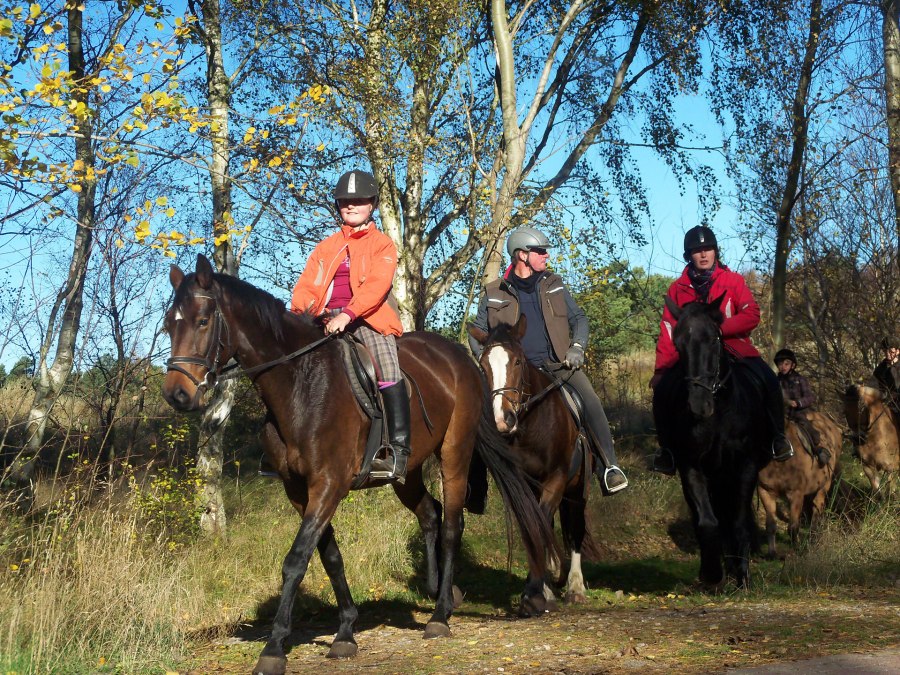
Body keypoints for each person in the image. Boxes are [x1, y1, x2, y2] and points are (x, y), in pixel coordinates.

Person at [468, 226, 628, 494]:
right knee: (474, 412)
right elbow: (476, 331)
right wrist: (488, 364)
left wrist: (577, 347)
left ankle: (609, 467)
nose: (546, 256)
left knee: (590, 399)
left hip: (558, 366)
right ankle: (475, 487)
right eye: (540, 251)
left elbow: (579, 319)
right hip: (512, 375)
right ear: (521, 255)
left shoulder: (554, 283)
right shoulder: (494, 291)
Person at [289, 169, 411, 483]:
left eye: (359, 201)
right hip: (324, 320)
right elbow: (306, 288)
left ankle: (397, 450)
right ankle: (282, 446)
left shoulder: (382, 245)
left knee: (387, 367)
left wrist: (348, 314)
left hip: (367, 318)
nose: (351, 206)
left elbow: (376, 287)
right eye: (345, 201)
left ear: (372, 205)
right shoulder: (325, 247)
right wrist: (301, 316)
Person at [649, 225, 794, 475]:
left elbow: (752, 314)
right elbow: (668, 331)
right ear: (689, 256)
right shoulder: (677, 289)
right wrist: (661, 369)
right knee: (661, 391)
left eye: (708, 249)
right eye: (697, 251)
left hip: (734, 348)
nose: (703, 255)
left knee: (770, 379)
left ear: (716, 252)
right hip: (693, 357)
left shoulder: (733, 281)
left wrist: (718, 329)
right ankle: (667, 451)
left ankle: (777, 438)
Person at [774, 348, 830, 466]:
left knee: (804, 423)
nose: (783, 366)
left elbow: (810, 397)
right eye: (780, 364)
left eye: (786, 364)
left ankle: (818, 448)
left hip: (798, 411)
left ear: (793, 365)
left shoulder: (800, 380)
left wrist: (797, 403)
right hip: (781, 412)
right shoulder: (776, 381)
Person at [873, 335, 899, 412]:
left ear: (898, 351)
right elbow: (880, 389)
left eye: (891, 352)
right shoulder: (879, 370)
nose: (887, 354)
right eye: (885, 351)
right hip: (890, 404)